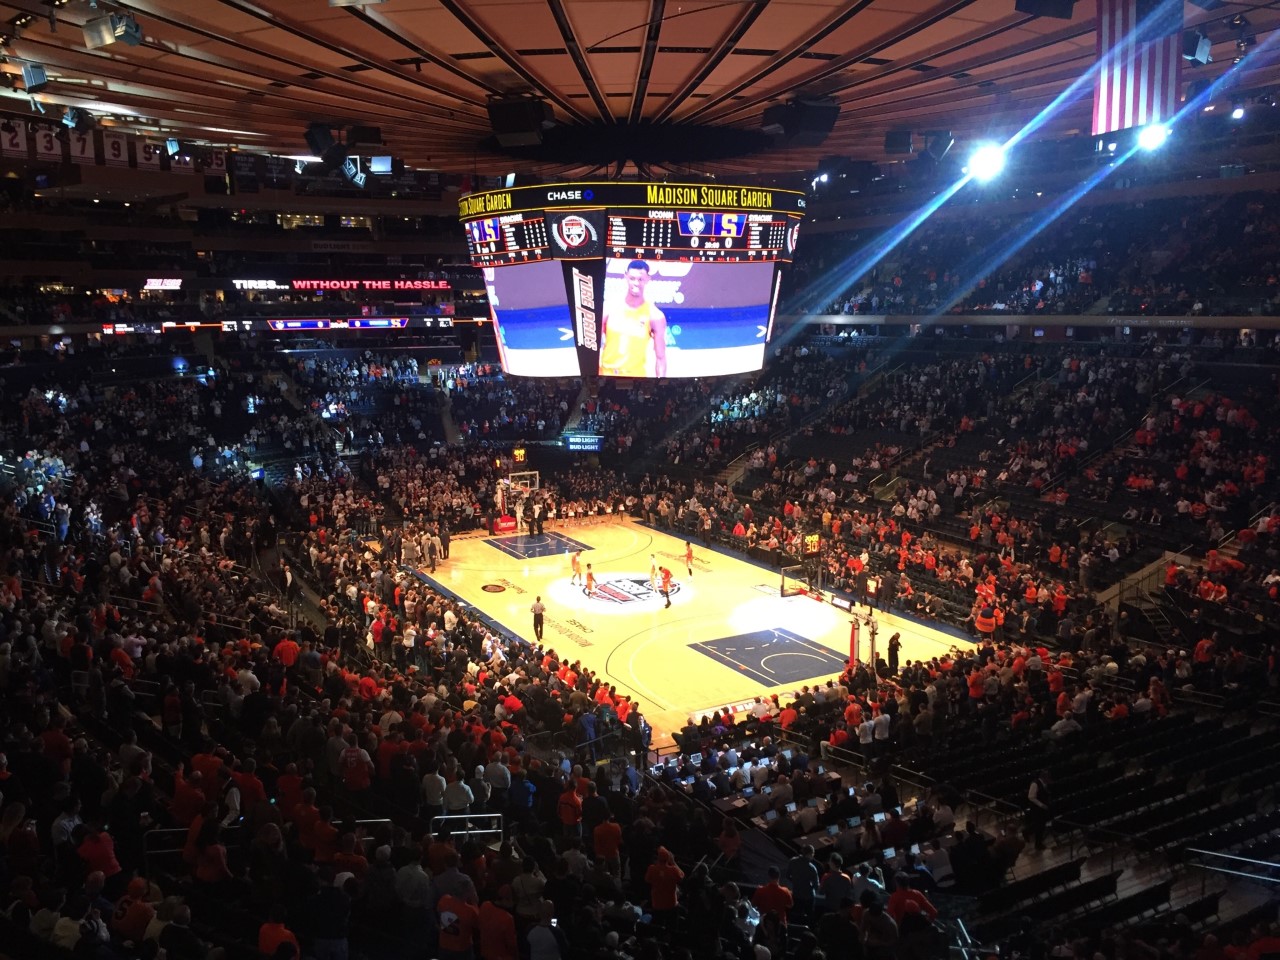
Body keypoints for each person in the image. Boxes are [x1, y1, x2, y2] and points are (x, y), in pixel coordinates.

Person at [599, 260, 668, 377]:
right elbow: (592, 348)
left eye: (640, 279)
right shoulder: (609, 308)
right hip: (606, 377)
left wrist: (660, 386)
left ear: (647, 279)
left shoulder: (655, 316)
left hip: (637, 380)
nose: (636, 283)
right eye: (632, 278)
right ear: (625, 277)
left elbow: (661, 358)